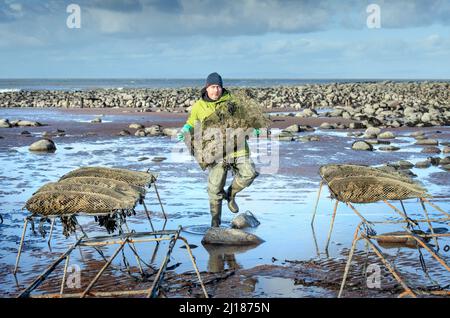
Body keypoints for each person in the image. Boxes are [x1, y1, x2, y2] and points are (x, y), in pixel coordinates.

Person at [178, 72, 259, 227]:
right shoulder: (198, 106)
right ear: (207, 88)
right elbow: (192, 122)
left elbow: (247, 117)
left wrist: (253, 127)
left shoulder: (233, 101)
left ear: (222, 88)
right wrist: (186, 129)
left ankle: (231, 194)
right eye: (213, 87)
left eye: (218, 87)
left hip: (238, 148)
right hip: (215, 152)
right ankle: (215, 223)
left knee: (249, 173)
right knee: (214, 189)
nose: (216, 91)